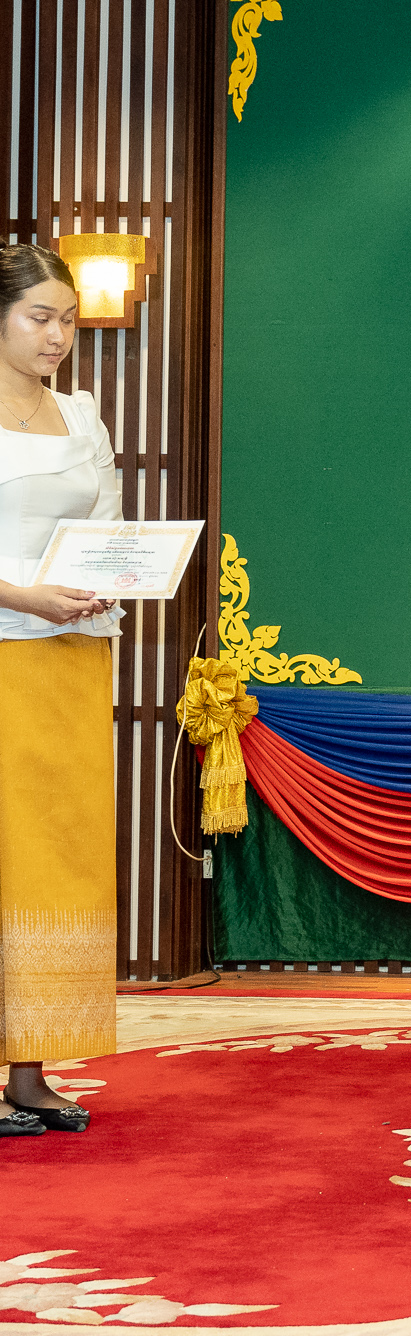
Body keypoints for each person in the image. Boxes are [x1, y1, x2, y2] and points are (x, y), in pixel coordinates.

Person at [0, 243, 120, 1139]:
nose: (58, 335)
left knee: (58, 855)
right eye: (39, 316)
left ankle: (31, 1068)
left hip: (72, 656)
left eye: (68, 319)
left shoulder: (81, 414)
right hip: (6, 645)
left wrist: (114, 578)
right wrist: (23, 595)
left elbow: (106, 527)